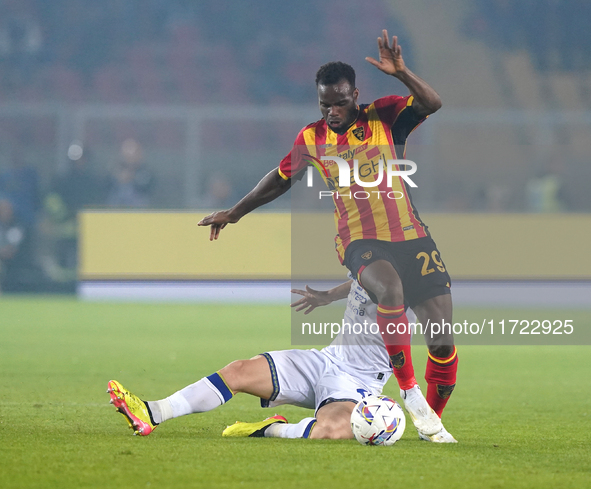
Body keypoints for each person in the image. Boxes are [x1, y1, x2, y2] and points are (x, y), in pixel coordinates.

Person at [198, 30, 458, 433]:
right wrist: (234, 213)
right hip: (360, 239)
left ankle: (432, 424)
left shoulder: (384, 116)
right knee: (389, 290)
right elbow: (281, 179)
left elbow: (432, 103)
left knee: (441, 341)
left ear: (355, 95)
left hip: (412, 236)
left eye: (339, 102)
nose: (332, 111)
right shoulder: (312, 138)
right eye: (325, 104)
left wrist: (403, 73)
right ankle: (408, 391)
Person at [108, 279, 454, 441]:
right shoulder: (372, 259)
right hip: (324, 361)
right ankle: (153, 411)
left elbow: (435, 340)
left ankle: (269, 429)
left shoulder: (415, 284)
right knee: (238, 371)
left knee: (330, 432)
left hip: (358, 384)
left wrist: (418, 393)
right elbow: (359, 282)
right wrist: (326, 296)